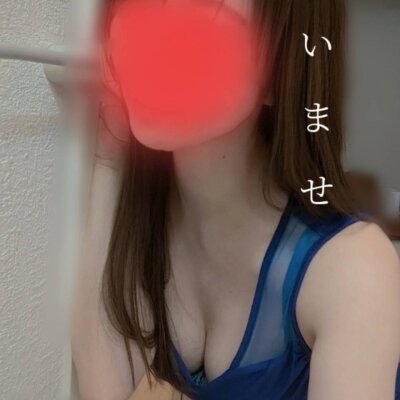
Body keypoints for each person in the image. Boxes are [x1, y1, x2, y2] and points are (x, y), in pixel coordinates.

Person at [71, 0, 400, 399]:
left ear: (281, 69)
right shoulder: (150, 216)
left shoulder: (352, 268)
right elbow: (105, 389)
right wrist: (109, 161)